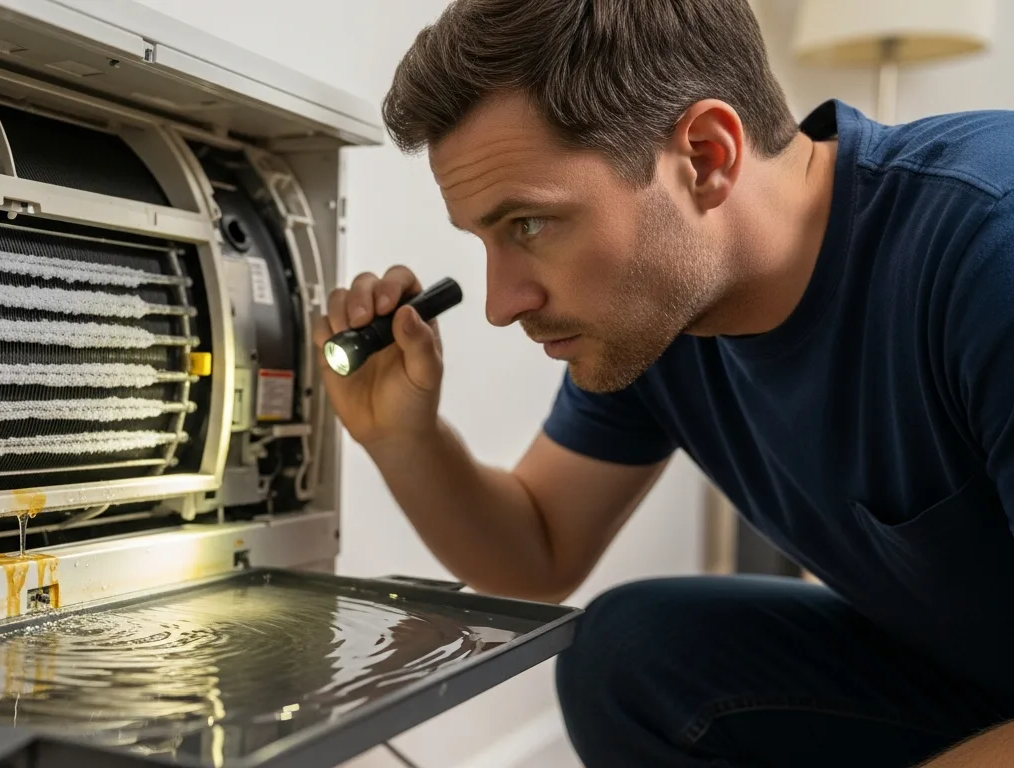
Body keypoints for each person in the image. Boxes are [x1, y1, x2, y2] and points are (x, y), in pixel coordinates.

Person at [312, 0, 1014, 765]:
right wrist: (404, 438)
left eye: (530, 226)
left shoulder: (987, 248)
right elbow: (538, 552)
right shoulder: (666, 319)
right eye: (485, 239)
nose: (500, 303)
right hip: (970, 684)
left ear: (706, 158)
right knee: (630, 655)